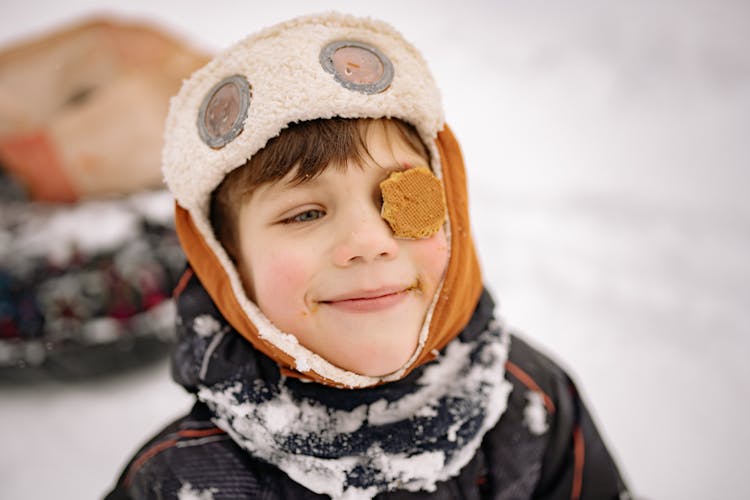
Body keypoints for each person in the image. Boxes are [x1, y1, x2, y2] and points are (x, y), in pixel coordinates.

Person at [106, 13, 630, 499]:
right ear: (229, 264)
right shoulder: (180, 480)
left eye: (406, 195)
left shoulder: (532, 402)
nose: (370, 242)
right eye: (304, 214)